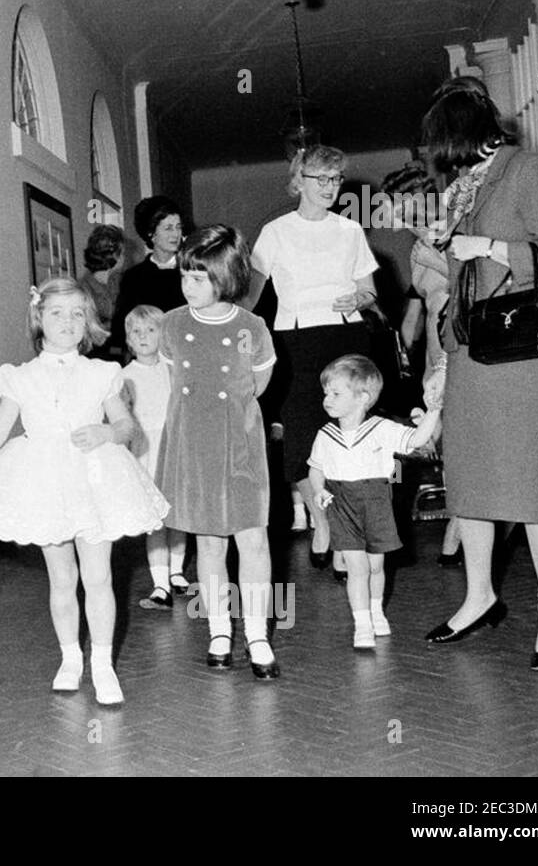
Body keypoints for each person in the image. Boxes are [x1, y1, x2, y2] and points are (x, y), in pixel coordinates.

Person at [420, 79, 538, 670]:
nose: (443, 163)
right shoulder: (469, 187)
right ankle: (480, 596)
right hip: (473, 352)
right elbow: (461, 281)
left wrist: (485, 244)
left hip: (526, 353)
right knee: (471, 480)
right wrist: (444, 355)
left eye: (445, 147)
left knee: (536, 486)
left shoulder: (528, 170)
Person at [0, 277, 169, 705]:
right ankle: (71, 658)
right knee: (62, 577)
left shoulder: (102, 373)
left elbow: (127, 428)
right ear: (39, 318)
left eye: (76, 314)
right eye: (56, 313)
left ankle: (102, 663)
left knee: (99, 575)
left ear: (87, 321)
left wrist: (106, 431)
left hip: (95, 480)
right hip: (44, 482)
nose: (67, 322)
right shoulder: (19, 377)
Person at [247, 146, 379, 576]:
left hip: (345, 336)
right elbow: (249, 296)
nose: (328, 187)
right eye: (319, 178)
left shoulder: (350, 230)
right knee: (302, 441)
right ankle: (322, 521)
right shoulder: (274, 232)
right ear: (298, 180)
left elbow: (370, 291)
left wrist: (358, 297)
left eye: (336, 179)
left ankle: (343, 532)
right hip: (294, 341)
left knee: (347, 439)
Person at [158, 225, 281, 679]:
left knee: (253, 539)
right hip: (193, 445)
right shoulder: (172, 324)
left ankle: (257, 632)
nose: (187, 286)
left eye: (198, 278)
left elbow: (258, 386)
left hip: (240, 446)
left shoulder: (252, 328)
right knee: (208, 542)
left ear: (226, 278)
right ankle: (218, 629)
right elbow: (177, 385)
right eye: (184, 275)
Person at [308, 355, 443, 650]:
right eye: (326, 393)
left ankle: (376, 610)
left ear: (363, 398)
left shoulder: (381, 428)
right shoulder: (325, 435)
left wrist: (433, 411)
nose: (327, 399)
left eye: (336, 393)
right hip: (342, 504)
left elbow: (419, 439)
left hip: (376, 502)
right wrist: (318, 489)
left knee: (375, 565)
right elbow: (315, 467)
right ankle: (362, 623)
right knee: (356, 566)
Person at [382, 160, 463, 566]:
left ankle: (457, 532)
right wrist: (407, 356)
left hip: (462, 352)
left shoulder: (455, 233)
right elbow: (418, 309)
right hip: (435, 358)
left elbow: (468, 281)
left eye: (399, 206)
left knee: (463, 444)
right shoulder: (416, 250)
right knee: (441, 445)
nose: (396, 216)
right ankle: (459, 527)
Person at [120, 304, 188, 608]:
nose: (144, 336)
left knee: (179, 514)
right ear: (128, 339)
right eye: (137, 332)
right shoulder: (123, 376)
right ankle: (160, 583)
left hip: (175, 447)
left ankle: (177, 571)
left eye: (151, 330)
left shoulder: (174, 370)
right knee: (157, 519)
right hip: (146, 451)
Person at [112, 196, 187, 355]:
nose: (176, 234)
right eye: (168, 228)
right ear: (151, 233)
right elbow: (121, 328)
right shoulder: (133, 278)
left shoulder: (191, 272)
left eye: (178, 227)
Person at [78, 224, 126, 360]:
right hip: (94, 359)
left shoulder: (121, 281)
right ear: (114, 255)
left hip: (121, 356)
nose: (125, 257)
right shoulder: (82, 290)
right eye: (123, 253)